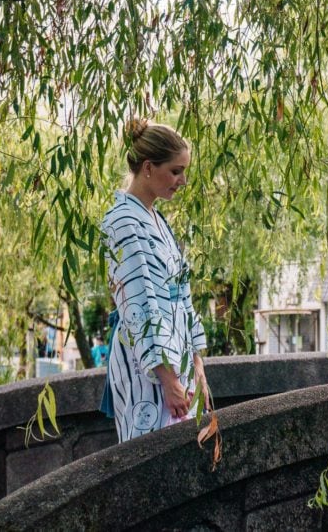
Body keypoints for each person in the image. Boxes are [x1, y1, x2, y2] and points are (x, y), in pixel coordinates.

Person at [99, 119, 209, 442]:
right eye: (175, 171)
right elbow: (138, 302)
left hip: (177, 358)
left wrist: (196, 363)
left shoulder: (157, 220)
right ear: (148, 168)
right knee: (146, 454)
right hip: (146, 367)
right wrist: (166, 377)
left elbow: (183, 294)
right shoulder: (121, 221)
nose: (182, 180)